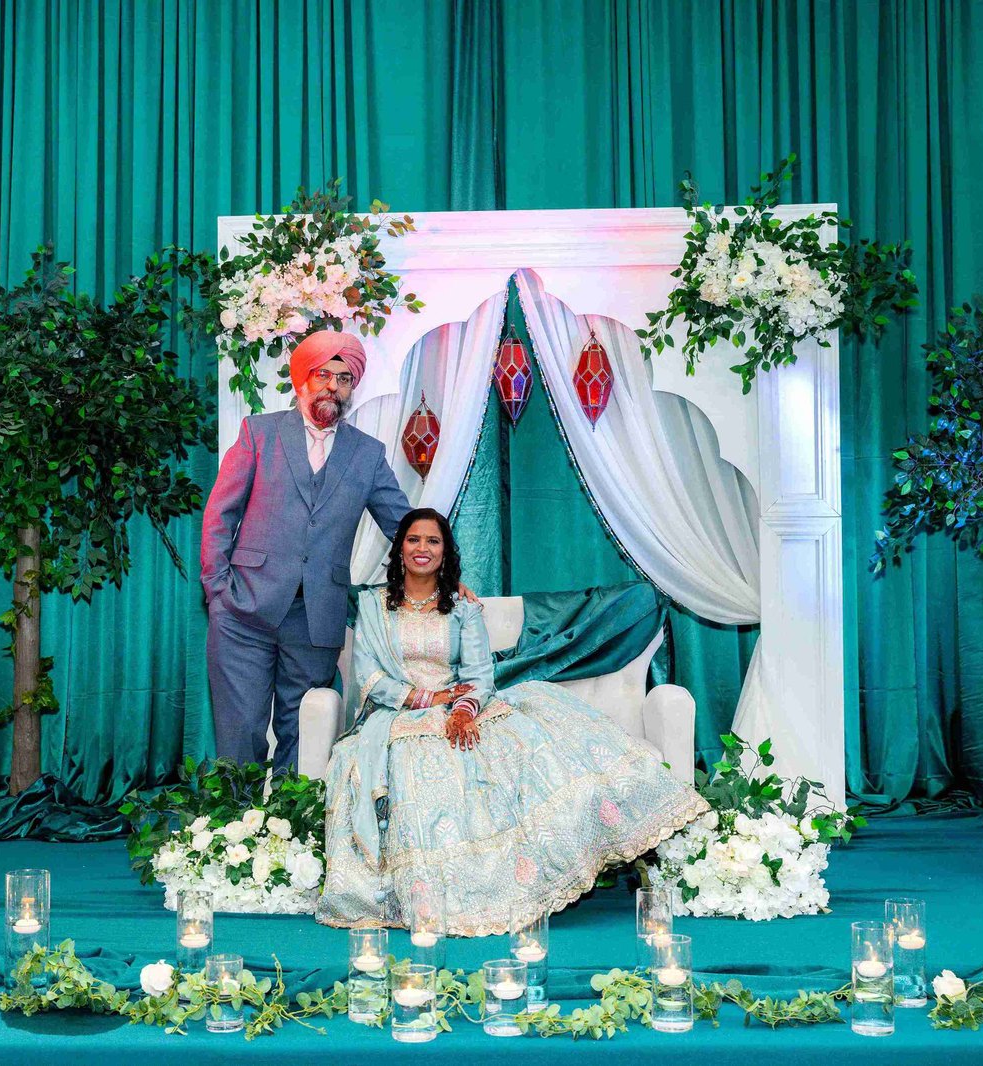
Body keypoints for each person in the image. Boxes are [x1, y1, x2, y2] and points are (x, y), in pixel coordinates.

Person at [316, 508, 709, 935]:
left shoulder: (462, 608)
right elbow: (369, 675)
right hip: (400, 714)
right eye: (413, 539)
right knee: (415, 764)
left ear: (445, 552)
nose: (422, 548)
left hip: (462, 707)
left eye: (433, 541)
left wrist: (463, 710)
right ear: (399, 549)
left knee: (522, 749)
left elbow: (479, 674)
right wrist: (426, 699)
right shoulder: (374, 606)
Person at [201, 330, 409, 770]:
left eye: (344, 378)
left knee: (304, 735)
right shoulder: (259, 433)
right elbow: (220, 514)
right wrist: (217, 590)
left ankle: (291, 816)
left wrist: (449, 573)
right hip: (244, 610)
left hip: (316, 618)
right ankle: (234, 815)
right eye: (323, 375)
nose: (333, 386)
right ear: (303, 380)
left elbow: (405, 525)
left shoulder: (368, 454)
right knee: (240, 731)